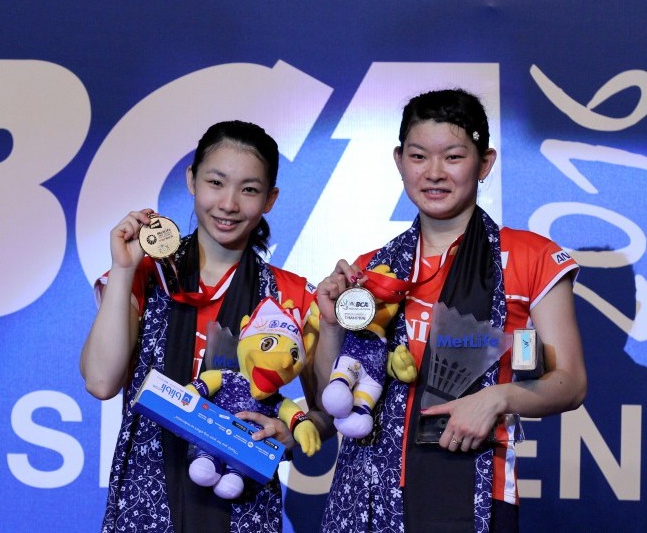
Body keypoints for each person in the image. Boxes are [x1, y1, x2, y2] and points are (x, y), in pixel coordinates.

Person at [314, 89, 587, 533]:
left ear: (485, 162)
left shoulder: (528, 257)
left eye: (454, 157)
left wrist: (496, 399)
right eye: (419, 156)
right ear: (400, 161)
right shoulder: (372, 271)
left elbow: (570, 383)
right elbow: (333, 394)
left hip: (472, 488)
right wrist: (330, 324)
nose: (435, 173)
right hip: (363, 493)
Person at [80, 120, 321, 533]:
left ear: (270, 199)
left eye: (249, 189)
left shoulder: (290, 295)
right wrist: (124, 268)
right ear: (191, 180)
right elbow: (101, 382)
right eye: (216, 182)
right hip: (146, 499)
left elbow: (325, 412)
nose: (228, 203)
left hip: (243, 506)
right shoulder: (146, 274)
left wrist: (292, 431)